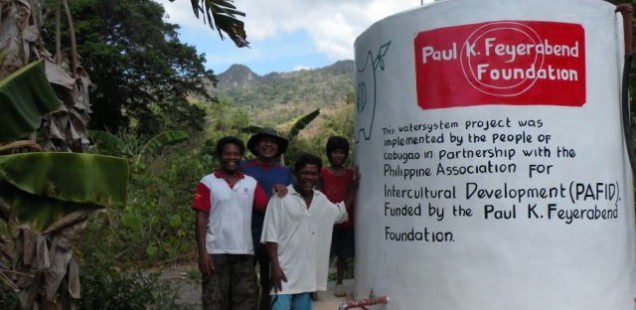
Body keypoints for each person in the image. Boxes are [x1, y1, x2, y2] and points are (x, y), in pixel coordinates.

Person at [261, 153, 354, 310]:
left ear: (318, 176)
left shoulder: (321, 200)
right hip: (283, 273)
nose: (309, 177)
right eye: (305, 173)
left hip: (307, 276)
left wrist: (352, 189)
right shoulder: (280, 198)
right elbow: (271, 236)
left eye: (313, 173)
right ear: (296, 173)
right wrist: (275, 267)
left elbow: (340, 213)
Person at [191, 136, 268, 310]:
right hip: (215, 252)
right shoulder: (208, 182)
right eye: (227, 154)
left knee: (246, 302)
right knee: (214, 303)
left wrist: (282, 192)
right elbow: (201, 218)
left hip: (244, 253)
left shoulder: (251, 183)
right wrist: (202, 253)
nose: (232, 157)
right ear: (220, 156)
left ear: (241, 157)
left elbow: (268, 210)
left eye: (236, 154)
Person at [242, 128, 294, 310]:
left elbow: (294, 198)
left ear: (278, 148)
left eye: (273, 142)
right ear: (256, 145)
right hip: (246, 234)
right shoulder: (244, 168)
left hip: (274, 235)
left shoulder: (285, 173)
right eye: (264, 141)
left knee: (270, 281)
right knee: (245, 282)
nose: (268, 145)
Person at [319, 136, 359, 297]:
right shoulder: (322, 174)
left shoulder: (351, 174)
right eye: (335, 151)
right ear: (329, 153)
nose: (338, 155)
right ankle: (317, 284)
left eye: (342, 152)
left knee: (342, 255)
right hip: (327, 222)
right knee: (323, 254)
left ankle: (340, 283)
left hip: (347, 223)